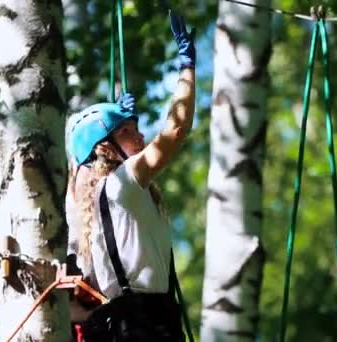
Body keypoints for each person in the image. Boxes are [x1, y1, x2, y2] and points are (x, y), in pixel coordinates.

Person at [66, 12, 196, 342]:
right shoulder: (122, 184)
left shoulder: (87, 209)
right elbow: (176, 129)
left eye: (137, 129)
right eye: (126, 132)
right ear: (104, 150)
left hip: (120, 326)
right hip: (144, 326)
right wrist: (186, 70)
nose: (139, 138)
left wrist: (118, 122)